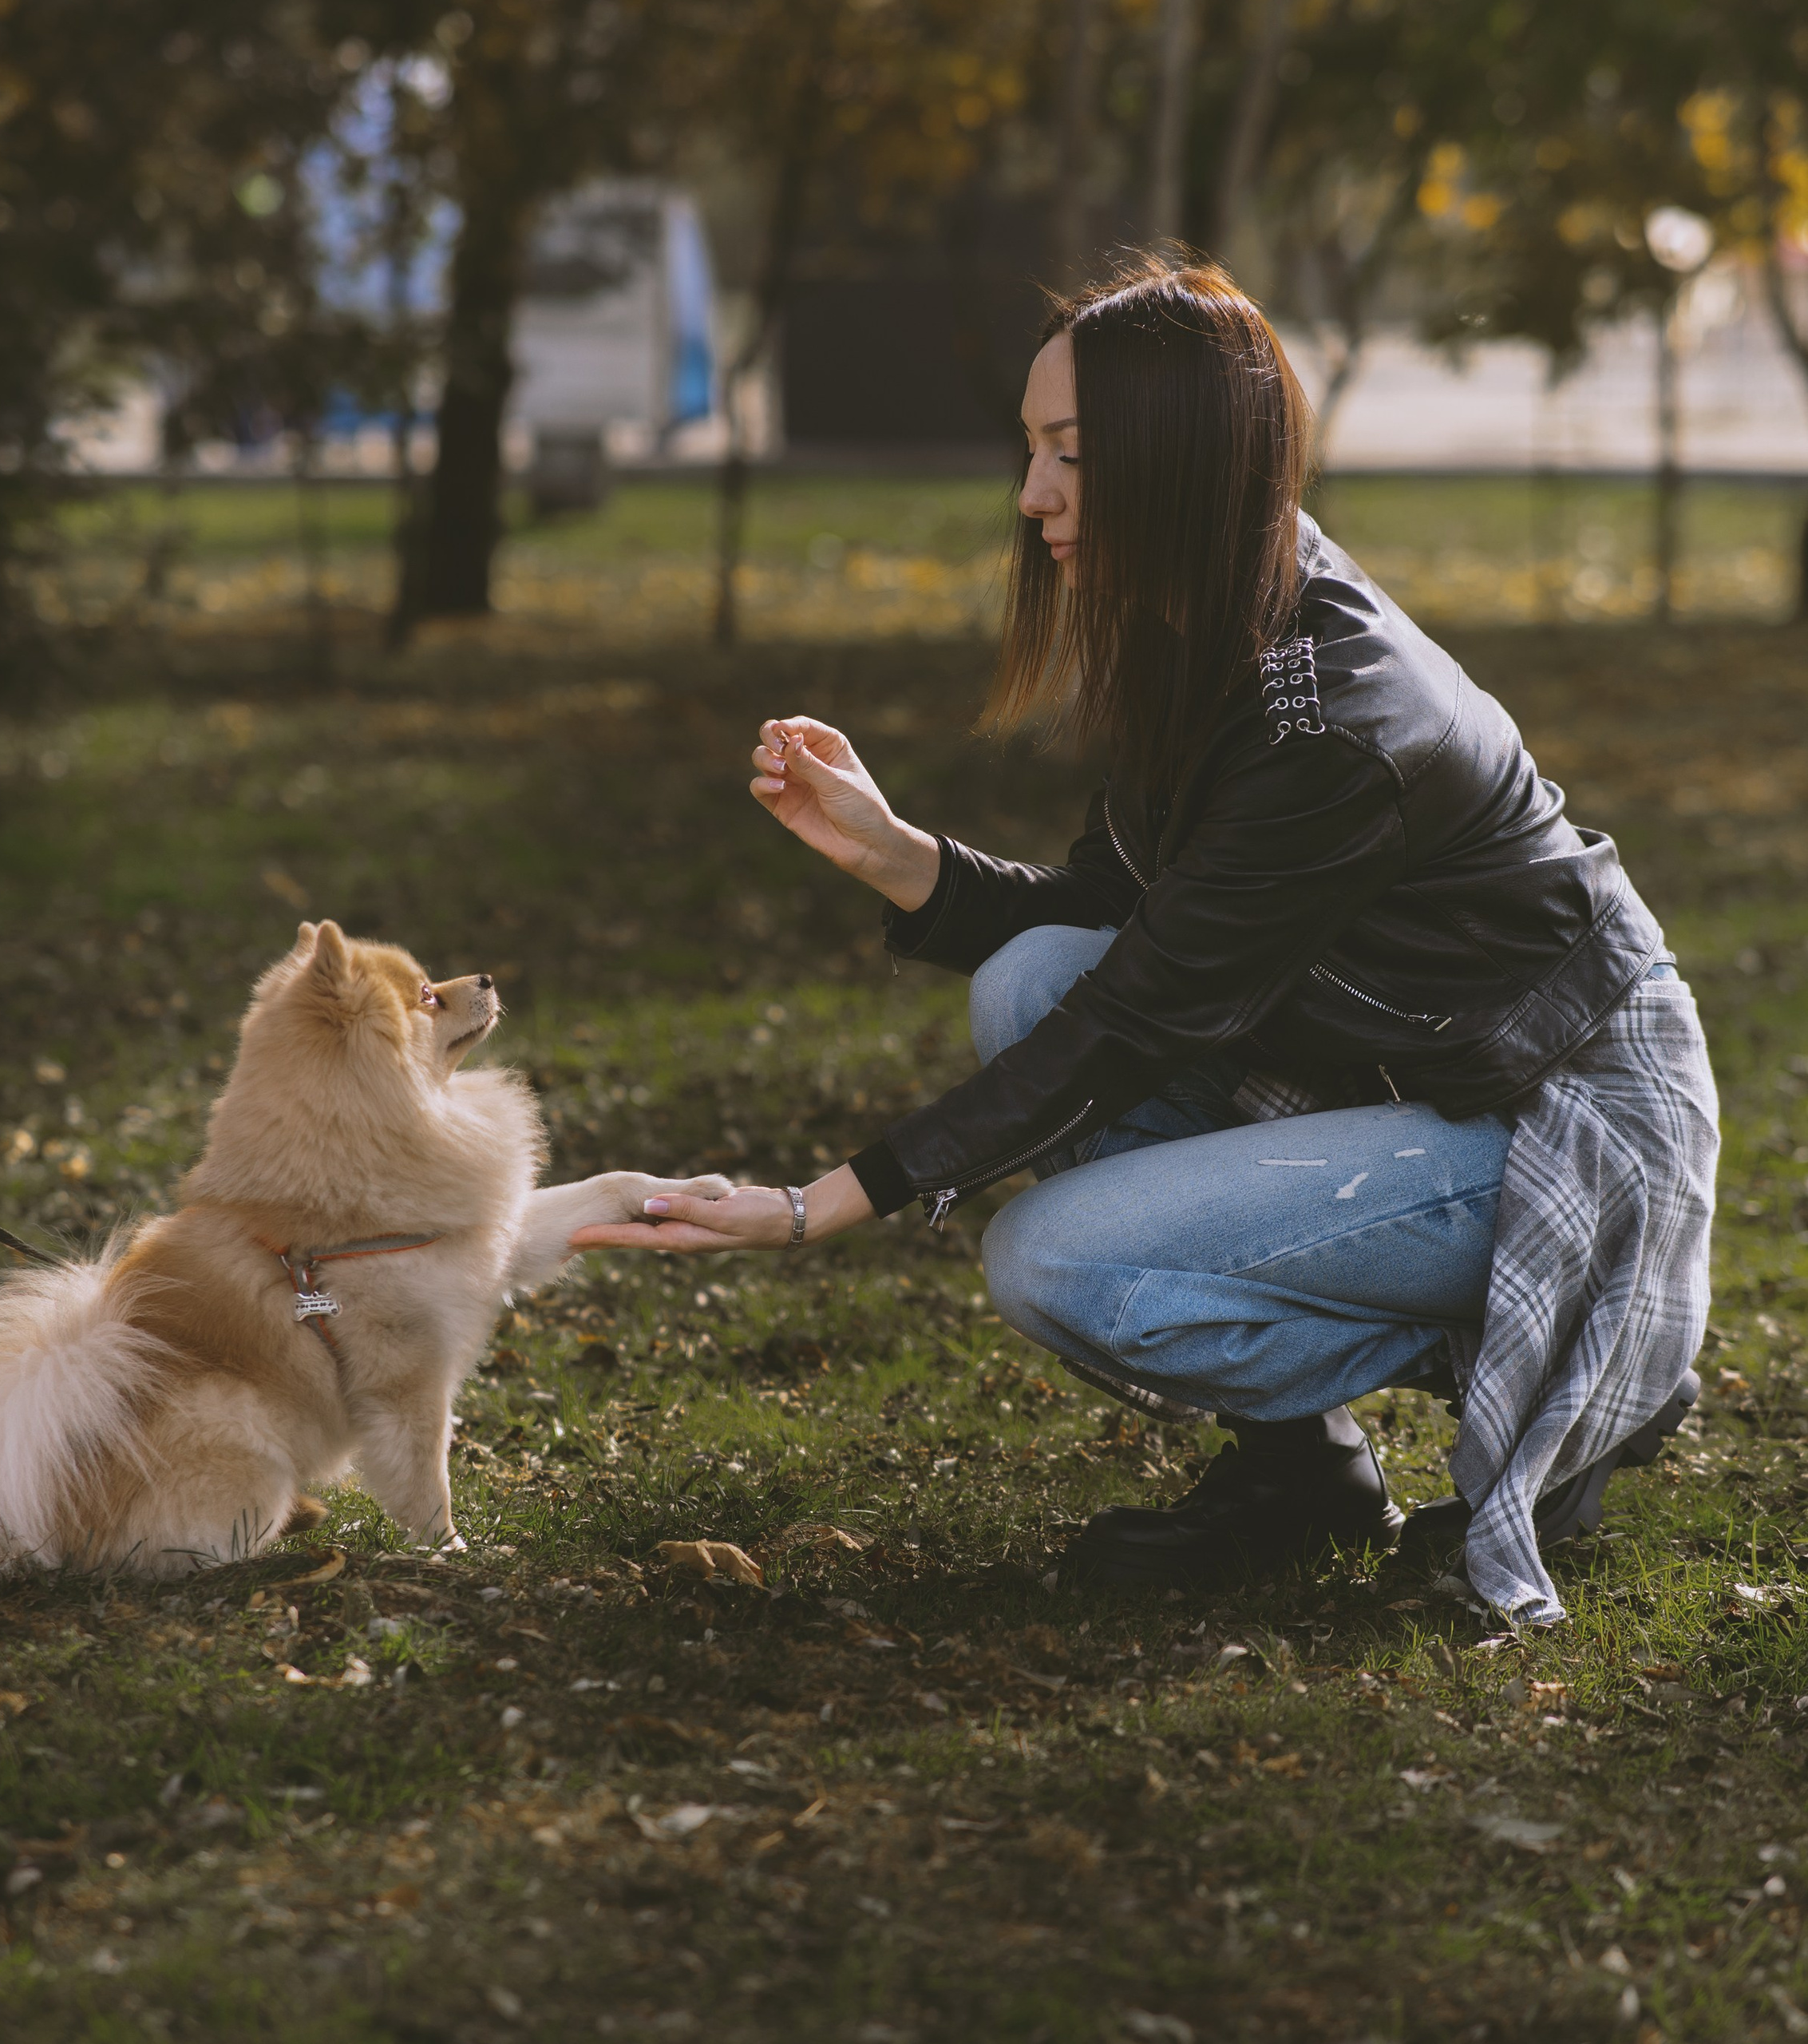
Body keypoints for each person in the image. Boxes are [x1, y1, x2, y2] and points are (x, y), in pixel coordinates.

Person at [576, 251, 1718, 1622]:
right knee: (1028, 982)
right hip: (1421, 1076)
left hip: (1562, 1124)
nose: (1032, 494)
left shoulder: (1331, 727)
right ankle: (1302, 1479)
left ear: (1183, 454)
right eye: (1031, 449)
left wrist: (813, 1203)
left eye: (1071, 452)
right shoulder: (1211, 619)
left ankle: (1572, 1349)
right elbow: (1116, 924)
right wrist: (894, 855)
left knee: (1056, 1260)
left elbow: (1137, 1018)